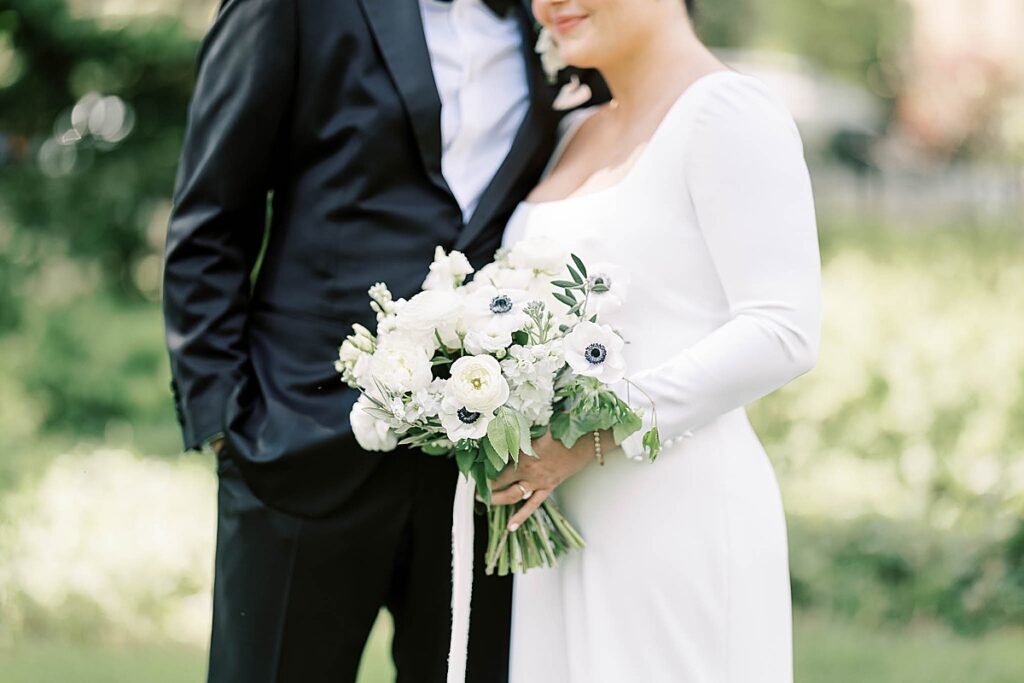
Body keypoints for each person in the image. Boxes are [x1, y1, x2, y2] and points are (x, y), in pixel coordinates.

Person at [161, 0, 603, 680]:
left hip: (485, 468)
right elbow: (212, 216)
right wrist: (228, 422)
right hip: (299, 440)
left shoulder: (548, 15)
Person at [490, 0, 821, 681]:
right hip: (563, 527)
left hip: (675, 517)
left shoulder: (727, 112)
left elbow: (781, 329)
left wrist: (591, 432)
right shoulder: (572, 130)